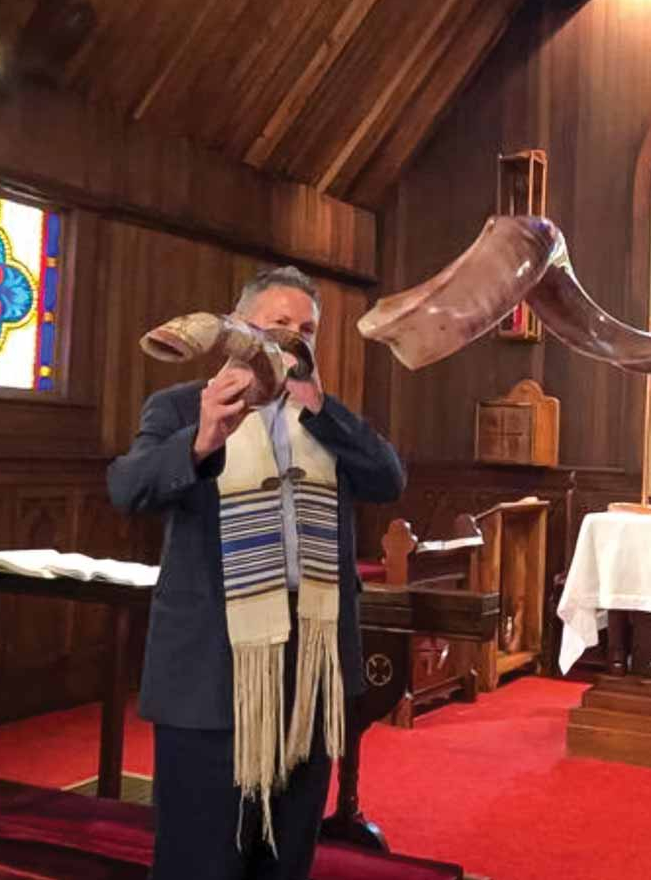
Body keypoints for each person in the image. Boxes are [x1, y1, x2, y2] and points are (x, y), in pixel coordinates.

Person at [108, 266, 405, 880]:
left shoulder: (326, 419)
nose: (294, 340)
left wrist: (323, 408)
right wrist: (201, 438)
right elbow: (128, 487)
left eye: (307, 330)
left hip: (307, 671)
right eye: (278, 325)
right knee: (201, 857)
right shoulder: (181, 407)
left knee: (285, 857)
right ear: (240, 328)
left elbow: (388, 479)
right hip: (212, 672)